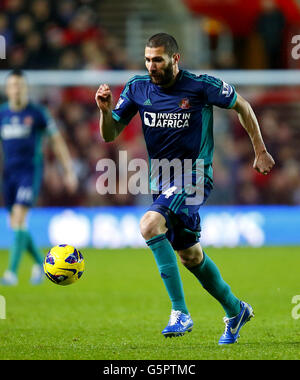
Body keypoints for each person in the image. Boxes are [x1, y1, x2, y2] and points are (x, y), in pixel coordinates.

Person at [95, 33, 275, 345]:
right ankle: (236, 310)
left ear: (175, 59)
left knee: (150, 225)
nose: (152, 66)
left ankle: (180, 311)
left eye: (158, 60)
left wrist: (259, 150)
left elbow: (242, 106)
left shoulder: (201, 86)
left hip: (193, 176)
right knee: (190, 256)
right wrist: (104, 111)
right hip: (160, 181)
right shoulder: (137, 87)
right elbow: (111, 134)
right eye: (148, 59)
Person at [0, 69, 78, 285]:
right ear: (7, 89)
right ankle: (40, 264)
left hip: (29, 172)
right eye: (13, 86)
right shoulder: (2, 114)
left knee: (19, 217)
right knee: (16, 225)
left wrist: (68, 171)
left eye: (20, 86)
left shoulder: (37, 113)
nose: (17, 90)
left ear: (26, 88)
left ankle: (11, 273)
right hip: (8, 175)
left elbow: (57, 141)